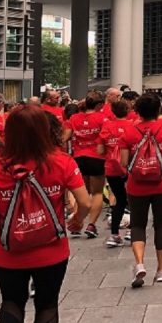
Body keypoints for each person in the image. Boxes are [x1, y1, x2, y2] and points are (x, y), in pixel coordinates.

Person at [0, 105, 89, 323]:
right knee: (47, 303)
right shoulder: (62, 162)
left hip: (8, 252)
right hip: (52, 249)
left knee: (11, 302)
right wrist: (77, 219)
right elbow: (85, 202)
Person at [119, 94, 162, 287]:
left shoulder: (129, 132)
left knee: (138, 225)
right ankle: (161, 270)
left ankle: (139, 263)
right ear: (158, 110)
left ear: (137, 111)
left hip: (137, 185)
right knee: (161, 224)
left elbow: (123, 162)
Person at [67, 91, 108, 239]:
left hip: (79, 158)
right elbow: (106, 138)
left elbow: (65, 137)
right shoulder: (103, 118)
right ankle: (91, 224)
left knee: (81, 193)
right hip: (97, 158)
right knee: (97, 192)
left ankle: (77, 223)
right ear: (99, 105)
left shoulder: (74, 118)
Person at [97, 99, 135, 247]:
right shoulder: (133, 126)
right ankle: (132, 231)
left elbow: (100, 150)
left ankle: (114, 234)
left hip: (112, 168)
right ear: (128, 111)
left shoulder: (107, 127)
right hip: (130, 168)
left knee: (119, 199)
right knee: (133, 199)